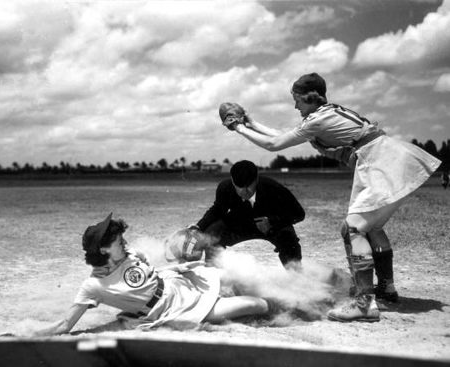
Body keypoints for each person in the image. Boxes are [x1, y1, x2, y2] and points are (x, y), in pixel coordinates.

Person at [222, 73, 441, 322]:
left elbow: (274, 144)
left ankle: (364, 303)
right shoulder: (328, 113)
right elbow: (283, 135)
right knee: (372, 227)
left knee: (353, 229)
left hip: (379, 162)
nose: (295, 106)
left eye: (297, 101)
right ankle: (386, 289)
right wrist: (252, 122)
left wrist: (238, 127)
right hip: (392, 157)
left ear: (310, 97)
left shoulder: (318, 119)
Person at [33, 213, 277, 335]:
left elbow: (153, 274)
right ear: (104, 248)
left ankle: (294, 297)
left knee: (242, 277)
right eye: (119, 240)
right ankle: (276, 310)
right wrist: (28, 335)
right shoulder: (93, 286)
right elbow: (66, 325)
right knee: (258, 305)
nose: (125, 242)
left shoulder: (131, 253)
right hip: (175, 310)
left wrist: (180, 265)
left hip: (181, 281)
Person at [191, 159, 305, 268]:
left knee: (288, 237)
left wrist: (272, 221)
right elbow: (217, 210)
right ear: (232, 181)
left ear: (256, 179)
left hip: (270, 226)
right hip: (240, 223)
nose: (244, 192)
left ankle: (295, 275)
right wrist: (198, 227)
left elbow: (299, 214)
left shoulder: (273, 188)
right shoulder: (225, 187)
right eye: (239, 187)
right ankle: (215, 273)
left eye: (248, 186)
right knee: (212, 233)